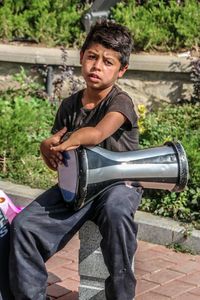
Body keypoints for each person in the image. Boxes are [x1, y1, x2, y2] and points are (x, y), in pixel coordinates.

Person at [9, 21, 143, 300]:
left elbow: (97, 133)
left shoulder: (121, 102)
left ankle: (121, 295)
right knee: (24, 226)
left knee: (117, 213)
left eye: (108, 62)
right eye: (92, 57)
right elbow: (60, 162)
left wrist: (73, 139)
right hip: (78, 188)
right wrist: (48, 148)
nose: (97, 66)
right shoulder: (69, 105)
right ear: (81, 56)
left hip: (118, 185)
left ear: (122, 70)